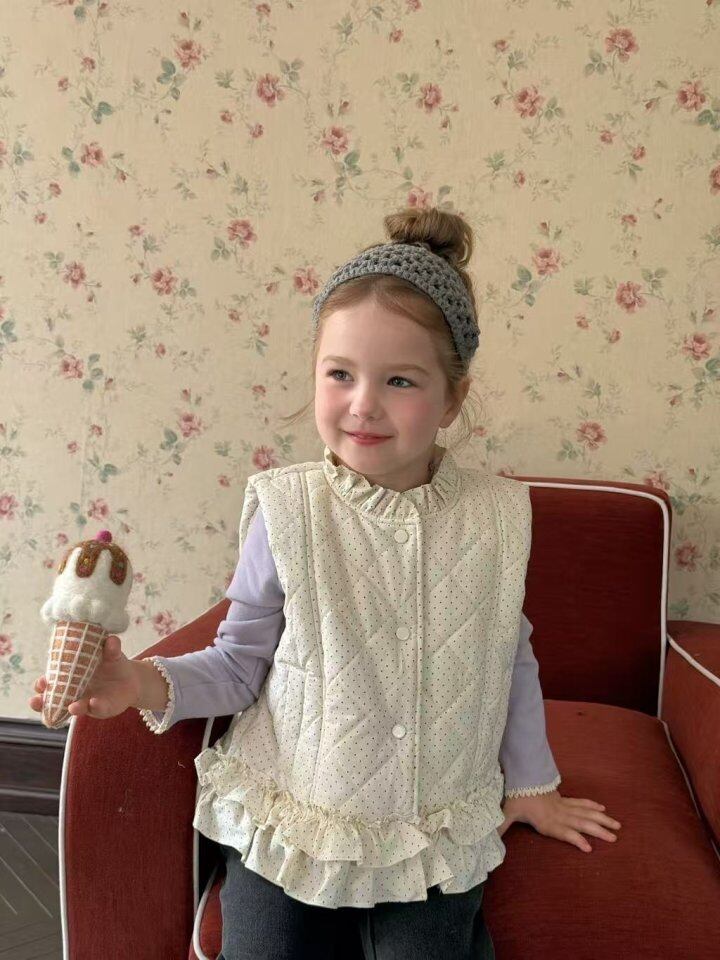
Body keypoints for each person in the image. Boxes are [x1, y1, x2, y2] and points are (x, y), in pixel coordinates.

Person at [29, 206, 621, 959]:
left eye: (399, 380)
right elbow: (238, 665)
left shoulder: (496, 516)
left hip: (435, 827)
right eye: (340, 374)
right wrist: (137, 682)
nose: (363, 403)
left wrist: (533, 786)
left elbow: (509, 658)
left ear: (453, 398)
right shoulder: (288, 511)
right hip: (296, 819)